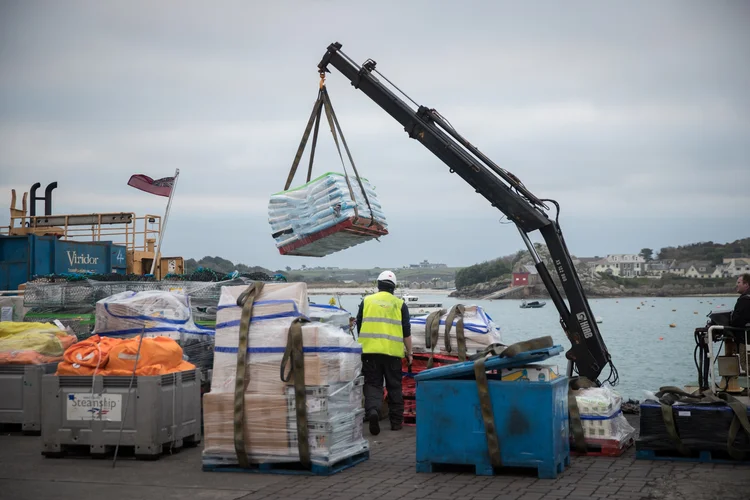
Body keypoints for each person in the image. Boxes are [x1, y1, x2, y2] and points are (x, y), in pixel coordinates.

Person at [356, 270, 412, 435]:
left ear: (378, 285)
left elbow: (360, 327)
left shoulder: (366, 301)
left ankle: (373, 411)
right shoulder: (400, 304)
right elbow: (406, 333)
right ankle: (396, 422)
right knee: (394, 386)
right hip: (393, 354)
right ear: (393, 287)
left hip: (370, 352)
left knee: (373, 384)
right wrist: (410, 353)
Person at [729, 273, 750, 374]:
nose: (737, 285)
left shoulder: (745, 299)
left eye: (739, 282)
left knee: (745, 364)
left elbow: (737, 320)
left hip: (745, 338)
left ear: (746, 284)